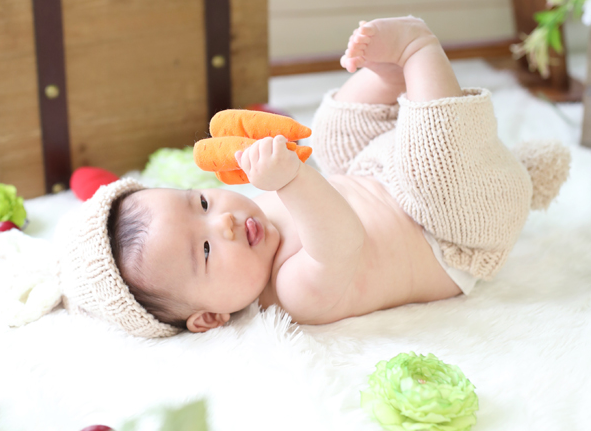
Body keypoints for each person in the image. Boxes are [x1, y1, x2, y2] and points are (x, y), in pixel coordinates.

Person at [56, 17, 570, 338]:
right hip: (454, 231)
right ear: (209, 317)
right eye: (206, 251)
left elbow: (332, 183)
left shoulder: (256, 222)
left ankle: (388, 78)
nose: (224, 223)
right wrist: (290, 180)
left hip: (383, 172)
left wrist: (288, 171)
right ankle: (418, 51)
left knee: (329, 138)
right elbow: (341, 238)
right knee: (433, 174)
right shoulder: (291, 295)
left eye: (203, 205)